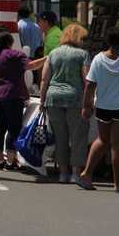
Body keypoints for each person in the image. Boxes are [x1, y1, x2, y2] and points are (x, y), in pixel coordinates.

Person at [76, 27, 119, 193]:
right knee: (118, 145)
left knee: (102, 140)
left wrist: (86, 106)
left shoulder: (98, 59)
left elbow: (90, 85)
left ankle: (86, 174)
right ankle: (118, 183)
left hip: (103, 106)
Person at [39, 24, 91, 183]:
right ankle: (75, 172)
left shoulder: (53, 53)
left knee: (60, 137)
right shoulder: (83, 54)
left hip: (53, 98)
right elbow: (87, 79)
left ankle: (63, 173)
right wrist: (89, 101)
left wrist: (42, 100)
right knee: (78, 137)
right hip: (75, 98)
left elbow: (44, 79)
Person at [0, 29, 44, 171]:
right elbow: (31, 66)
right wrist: (48, 58)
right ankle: (10, 160)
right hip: (13, 94)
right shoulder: (14, 54)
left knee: (0, 127)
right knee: (13, 128)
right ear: (11, 41)